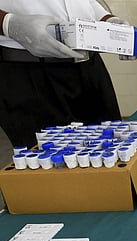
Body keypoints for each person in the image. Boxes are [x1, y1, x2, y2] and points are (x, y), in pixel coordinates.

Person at [0, 1, 127, 148]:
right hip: (29, 73)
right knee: (52, 163)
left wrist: (106, 19)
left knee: (114, 151)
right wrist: (8, 24)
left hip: (90, 68)